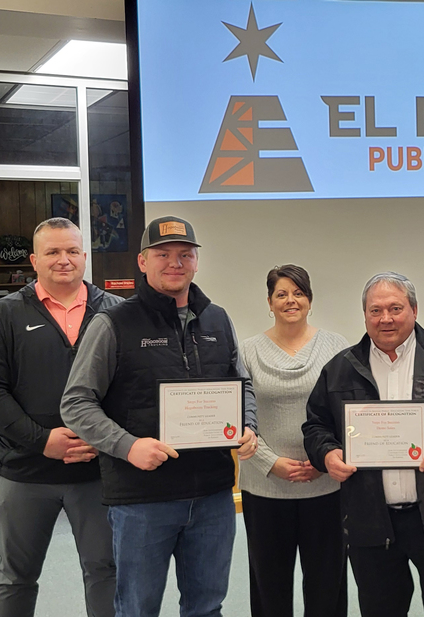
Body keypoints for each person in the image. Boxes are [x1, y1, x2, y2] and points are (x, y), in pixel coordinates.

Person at [61, 215, 258, 617]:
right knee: (137, 608)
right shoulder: (112, 323)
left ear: (196, 261)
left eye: (185, 254)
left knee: (207, 606)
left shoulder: (218, 319)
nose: (175, 262)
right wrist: (128, 446)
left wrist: (248, 423)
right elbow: (76, 402)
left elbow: (243, 384)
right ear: (142, 261)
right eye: (163, 254)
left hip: (212, 496)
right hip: (142, 499)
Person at [302, 272, 424, 617]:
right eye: (376, 310)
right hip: (370, 521)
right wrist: (326, 454)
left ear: (415, 310)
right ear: (365, 316)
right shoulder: (340, 369)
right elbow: (316, 425)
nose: (386, 318)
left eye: (395, 308)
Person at [0, 217, 121, 617]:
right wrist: (42, 440)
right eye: (53, 252)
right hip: (23, 472)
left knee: (106, 570)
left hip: (99, 472)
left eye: (72, 251)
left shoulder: (117, 312)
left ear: (85, 257)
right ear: (34, 260)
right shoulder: (3, 314)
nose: (63, 260)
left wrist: (103, 437)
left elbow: (134, 387)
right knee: (15, 575)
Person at [239, 264, 349, 617]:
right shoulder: (247, 351)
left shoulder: (337, 347)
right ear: (269, 302)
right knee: (269, 584)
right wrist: (270, 463)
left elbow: (348, 413)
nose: (291, 300)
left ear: (310, 300)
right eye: (281, 294)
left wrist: (325, 460)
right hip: (265, 487)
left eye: (298, 293)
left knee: (327, 582)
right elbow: (240, 419)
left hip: (326, 484)